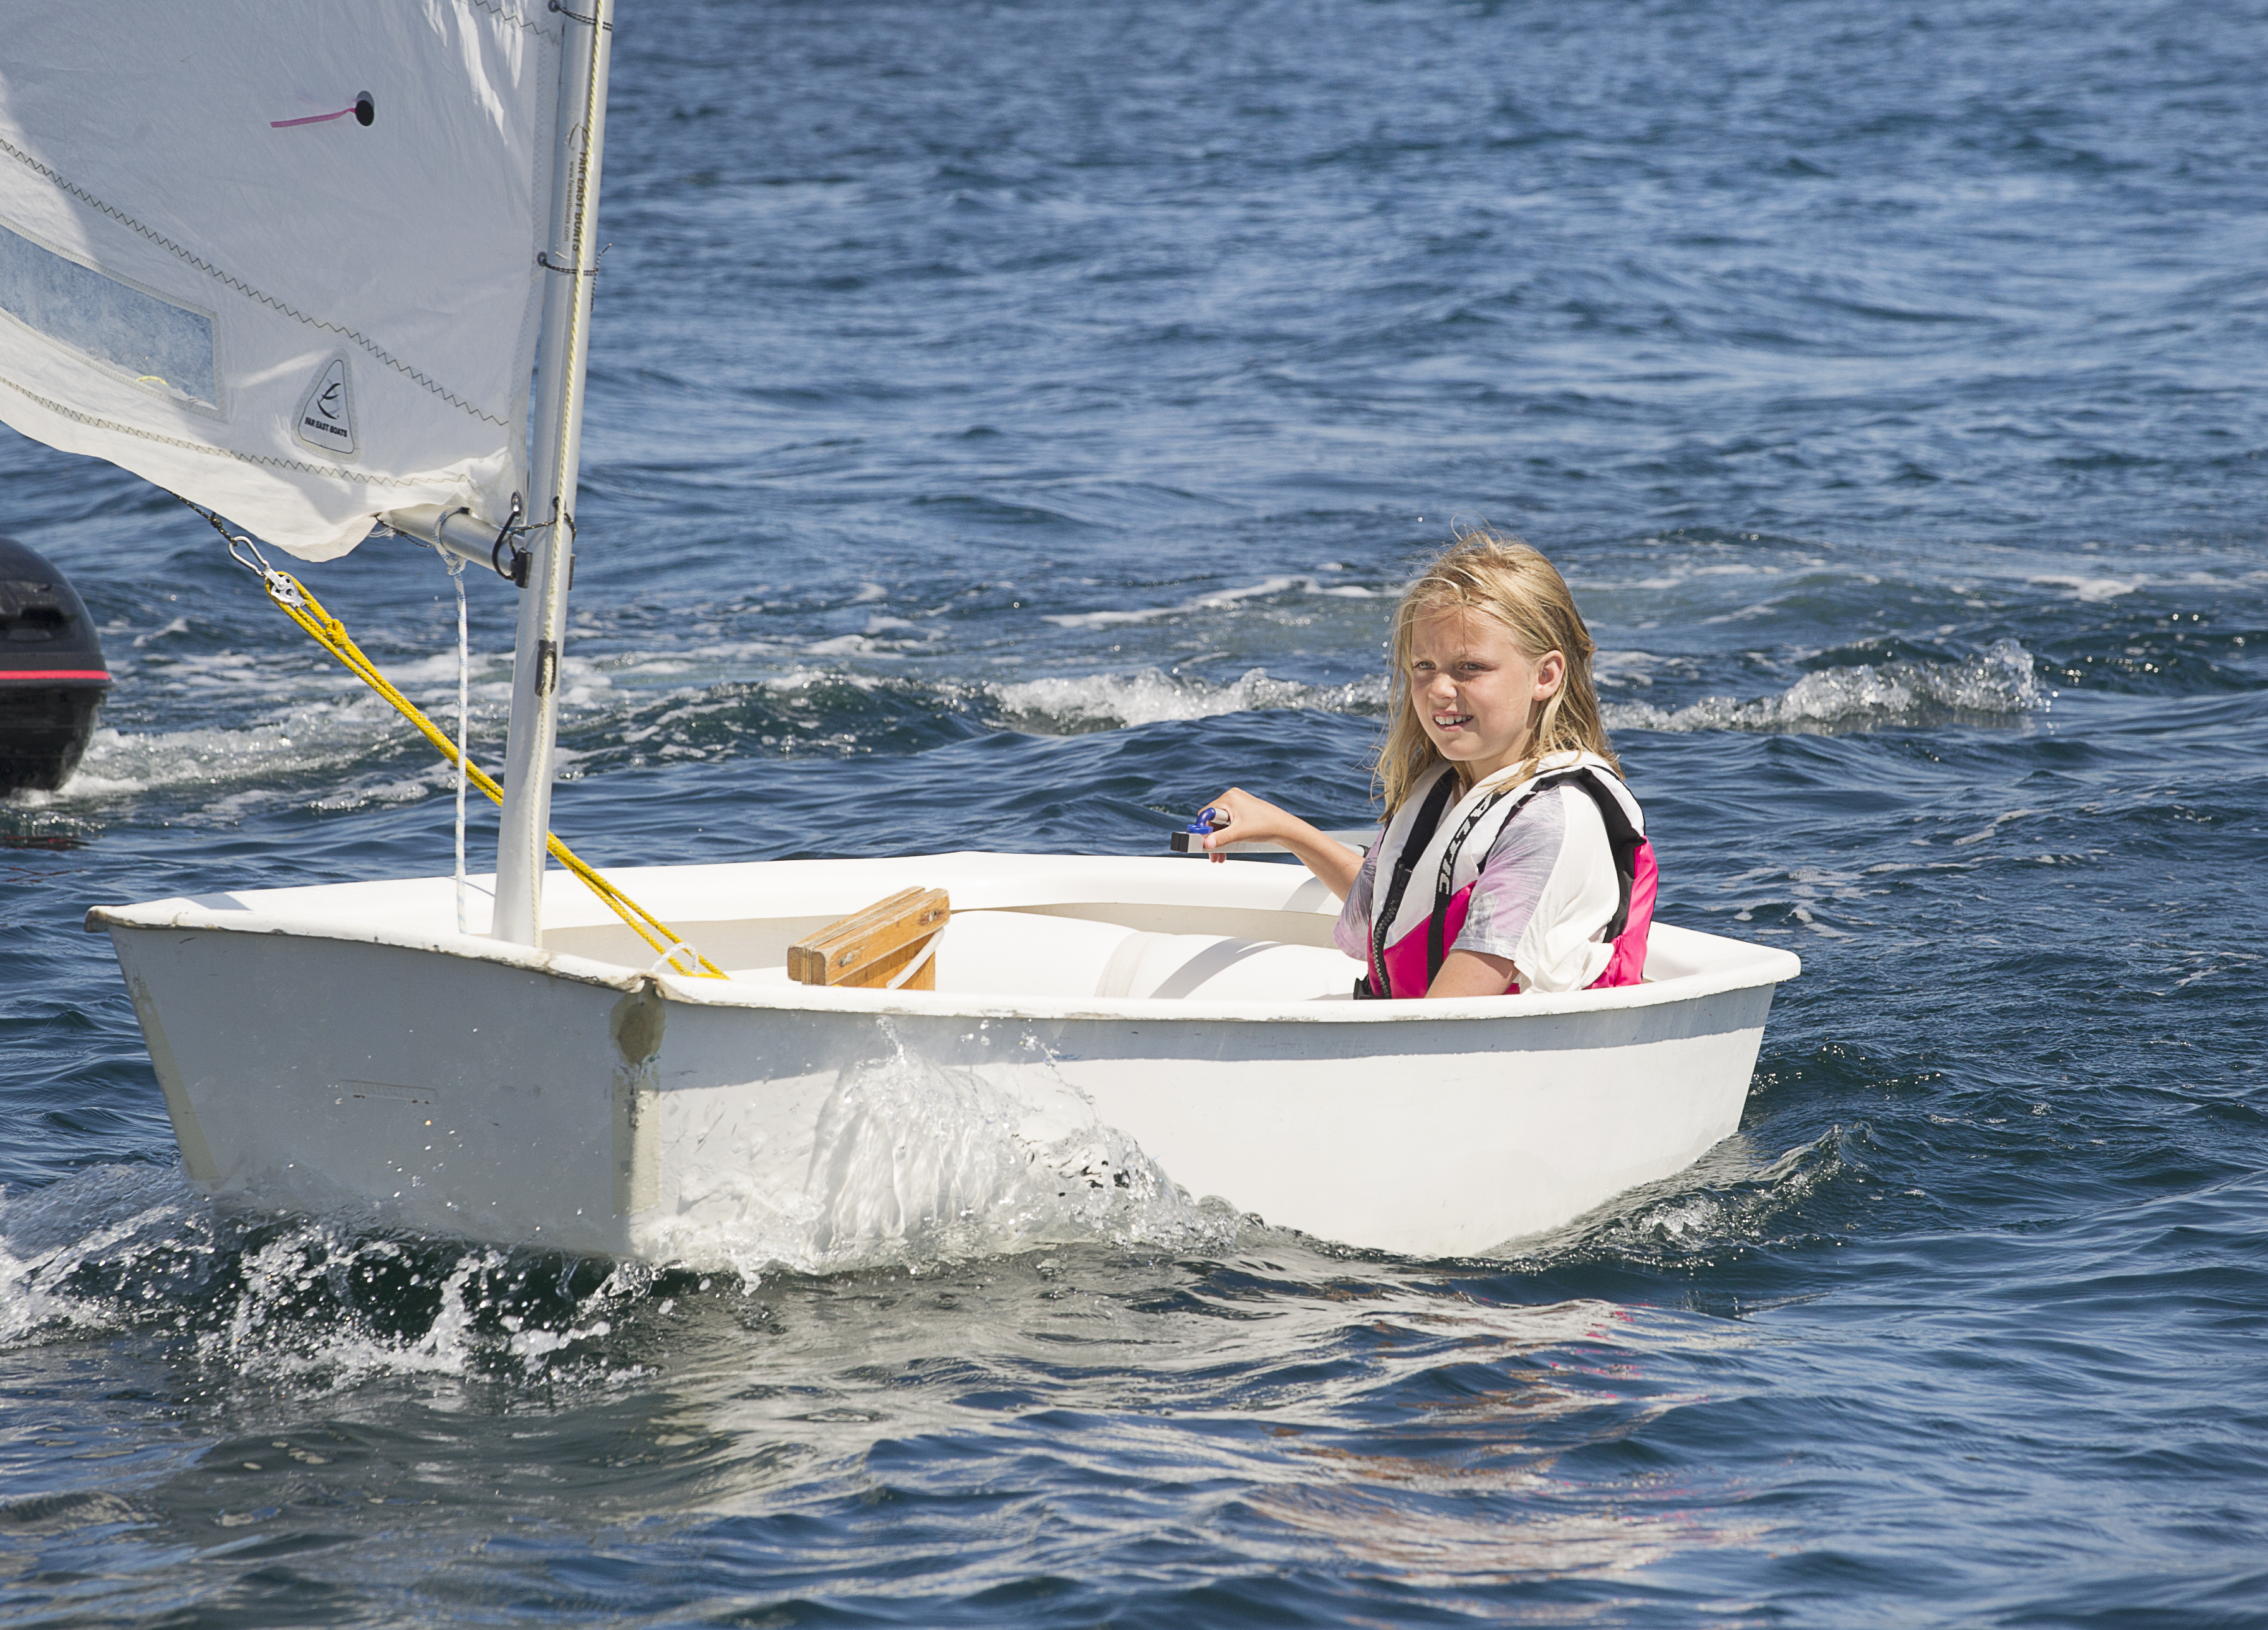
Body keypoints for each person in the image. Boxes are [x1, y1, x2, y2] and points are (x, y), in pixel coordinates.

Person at [1196, 533, 1655, 999]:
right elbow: (1394, 911)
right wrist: (1284, 830)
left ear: (1545, 675)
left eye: (1469, 667)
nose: (1438, 689)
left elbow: (1445, 1019)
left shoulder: (1547, 819)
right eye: (1424, 665)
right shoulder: (1447, 788)